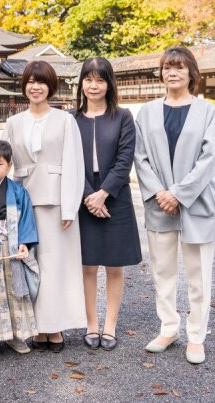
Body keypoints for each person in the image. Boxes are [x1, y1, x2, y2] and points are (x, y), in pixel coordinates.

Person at [133, 46, 215, 365]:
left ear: (191, 73)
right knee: (163, 270)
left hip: (196, 202)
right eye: (167, 67)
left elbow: (208, 158)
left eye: (179, 67)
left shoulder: (207, 111)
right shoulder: (146, 112)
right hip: (159, 203)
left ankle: (196, 336)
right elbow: (139, 157)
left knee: (199, 274)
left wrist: (179, 194)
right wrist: (160, 192)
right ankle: (169, 327)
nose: (172, 72)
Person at [3, 60, 86, 352]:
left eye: (41, 82)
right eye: (30, 81)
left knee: (56, 266)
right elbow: (2, 165)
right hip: (23, 201)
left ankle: (56, 327)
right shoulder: (13, 123)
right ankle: (37, 328)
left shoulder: (65, 120)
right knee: (30, 265)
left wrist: (69, 206)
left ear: (50, 86)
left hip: (56, 202)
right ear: (24, 85)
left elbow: (74, 164)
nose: (35, 87)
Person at [73, 57, 141, 352]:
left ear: (109, 83)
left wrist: (103, 194)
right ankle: (90, 324)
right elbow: (70, 162)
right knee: (87, 266)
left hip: (116, 198)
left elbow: (126, 158)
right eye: (88, 79)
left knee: (114, 266)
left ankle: (110, 325)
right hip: (82, 196)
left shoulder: (123, 116)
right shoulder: (71, 119)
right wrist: (89, 195)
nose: (94, 85)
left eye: (100, 80)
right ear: (81, 84)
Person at [0, 139, 39, 359]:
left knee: (15, 292)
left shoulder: (18, 191)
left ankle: (16, 335)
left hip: (12, 244)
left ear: (9, 165)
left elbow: (27, 220)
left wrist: (25, 243)